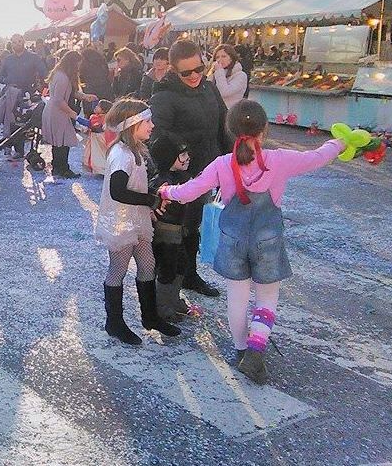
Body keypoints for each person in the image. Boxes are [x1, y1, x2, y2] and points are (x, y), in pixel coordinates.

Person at [160, 100, 349, 383]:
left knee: (237, 298)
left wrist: (167, 191)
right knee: (266, 298)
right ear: (265, 129)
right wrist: (339, 144)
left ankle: (239, 350)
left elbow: (190, 191)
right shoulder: (280, 159)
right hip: (268, 239)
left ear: (231, 130)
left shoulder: (223, 163)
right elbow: (317, 157)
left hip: (233, 239)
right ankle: (256, 350)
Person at [94, 98, 181, 345]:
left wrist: (149, 203)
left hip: (137, 219)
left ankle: (150, 316)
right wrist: (151, 200)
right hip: (121, 223)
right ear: (132, 125)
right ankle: (114, 323)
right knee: (118, 270)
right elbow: (117, 191)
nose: (152, 125)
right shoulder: (121, 154)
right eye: (147, 121)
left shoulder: (136, 150)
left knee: (147, 264)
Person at [149, 39, 230, 297]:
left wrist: (234, 156)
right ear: (174, 70)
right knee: (179, 228)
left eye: (199, 69)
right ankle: (175, 282)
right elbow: (157, 135)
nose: (194, 76)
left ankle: (190, 275)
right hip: (183, 174)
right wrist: (177, 156)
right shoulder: (164, 96)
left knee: (195, 225)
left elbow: (223, 124)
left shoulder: (209, 89)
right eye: (186, 72)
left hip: (210, 168)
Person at [148, 134, 194, 321]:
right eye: (182, 155)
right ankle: (162, 305)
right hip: (164, 233)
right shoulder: (162, 181)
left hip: (177, 231)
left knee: (181, 264)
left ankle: (173, 299)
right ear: (168, 158)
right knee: (167, 268)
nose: (187, 158)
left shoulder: (180, 176)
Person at [41, 50, 97, 179]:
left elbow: (71, 92)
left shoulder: (60, 74)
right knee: (63, 142)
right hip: (58, 113)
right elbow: (59, 100)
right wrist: (72, 114)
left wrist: (85, 97)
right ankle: (63, 168)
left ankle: (57, 167)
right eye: (78, 64)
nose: (79, 67)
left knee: (58, 141)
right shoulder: (62, 77)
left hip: (55, 112)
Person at [208, 43, 249, 109]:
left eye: (224, 56)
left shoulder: (240, 75)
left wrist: (219, 71)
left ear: (231, 58)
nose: (220, 59)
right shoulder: (216, 74)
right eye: (217, 57)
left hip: (230, 113)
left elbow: (224, 92)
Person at [82, 98, 112, 175]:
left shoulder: (106, 118)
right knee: (94, 155)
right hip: (94, 139)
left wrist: (77, 118)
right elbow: (90, 124)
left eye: (98, 106)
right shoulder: (93, 116)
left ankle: (103, 170)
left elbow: (93, 125)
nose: (96, 107)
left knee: (101, 155)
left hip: (101, 140)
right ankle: (97, 169)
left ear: (104, 110)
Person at [79, 47, 113, 114]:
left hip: (90, 90)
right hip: (105, 90)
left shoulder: (85, 65)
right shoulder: (102, 62)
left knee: (91, 115)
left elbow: (82, 78)